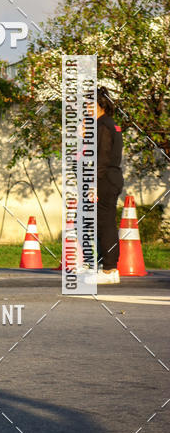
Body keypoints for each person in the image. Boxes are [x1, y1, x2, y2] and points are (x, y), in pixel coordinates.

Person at [94, 86, 123, 284]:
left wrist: (93, 183)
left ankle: (110, 270)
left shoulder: (103, 126)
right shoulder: (110, 124)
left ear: (99, 105)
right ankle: (106, 265)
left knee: (105, 224)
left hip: (104, 179)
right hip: (109, 177)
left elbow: (101, 158)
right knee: (101, 223)